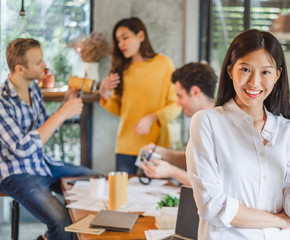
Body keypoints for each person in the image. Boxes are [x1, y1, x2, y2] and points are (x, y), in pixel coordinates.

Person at [186, 29, 290, 239]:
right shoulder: (207, 122)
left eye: (265, 72)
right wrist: (280, 221)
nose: (254, 82)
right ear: (229, 70)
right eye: (245, 69)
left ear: (277, 75)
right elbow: (212, 206)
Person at [0, 38, 95, 240]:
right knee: (61, 223)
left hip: (42, 164)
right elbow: (22, 148)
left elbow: (43, 128)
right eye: (38, 62)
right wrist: (61, 114)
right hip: (16, 172)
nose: (44, 66)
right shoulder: (1, 101)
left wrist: (64, 107)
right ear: (20, 68)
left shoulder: (34, 89)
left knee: (97, 180)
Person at [99, 17, 181, 174]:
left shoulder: (164, 64)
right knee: (124, 195)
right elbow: (121, 110)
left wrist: (153, 117)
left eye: (125, 37)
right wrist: (103, 93)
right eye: (118, 40)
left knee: (156, 196)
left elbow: (176, 103)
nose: (121, 44)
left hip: (156, 146)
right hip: (126, 146)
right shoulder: (120, 69)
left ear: (141, 36)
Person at [140, 62, 217, 186]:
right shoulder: (201, 120)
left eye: (180, 96)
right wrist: (161, 152)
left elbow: (209, 185)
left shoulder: (215, 125)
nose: (178, 103)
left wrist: (171, 171)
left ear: (195, 92)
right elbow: (195, 159)